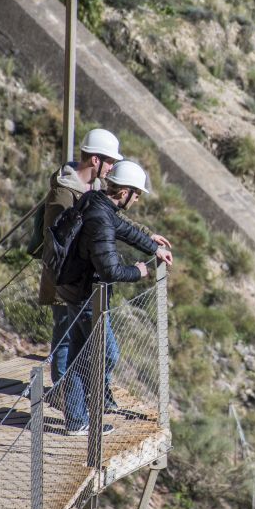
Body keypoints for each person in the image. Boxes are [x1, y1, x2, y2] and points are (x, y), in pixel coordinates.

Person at [37, 129, 170, 391]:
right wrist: (135, 270)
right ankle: (66, 393)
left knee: (74, 341)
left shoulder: (95, 192)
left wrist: (148, 240)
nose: (112, 167)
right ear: (96, 160)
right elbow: (58, 239)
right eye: (110, 161)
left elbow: (116, 223)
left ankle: (72, 399)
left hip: (80, 277)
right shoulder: (63, 195)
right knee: (68, 336)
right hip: (67, 275)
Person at [56, 160, 173, 436]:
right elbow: (109, 270)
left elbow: (124, 229)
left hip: (73, 287)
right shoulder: (100, 219)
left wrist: (153, 247)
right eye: (137, 194)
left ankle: (75, 419)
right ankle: (88, 408)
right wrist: (139, 271)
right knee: (107, 353)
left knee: (76, 354)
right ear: (124, 193)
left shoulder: (97, 202)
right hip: (85, 295)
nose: (138, 199)